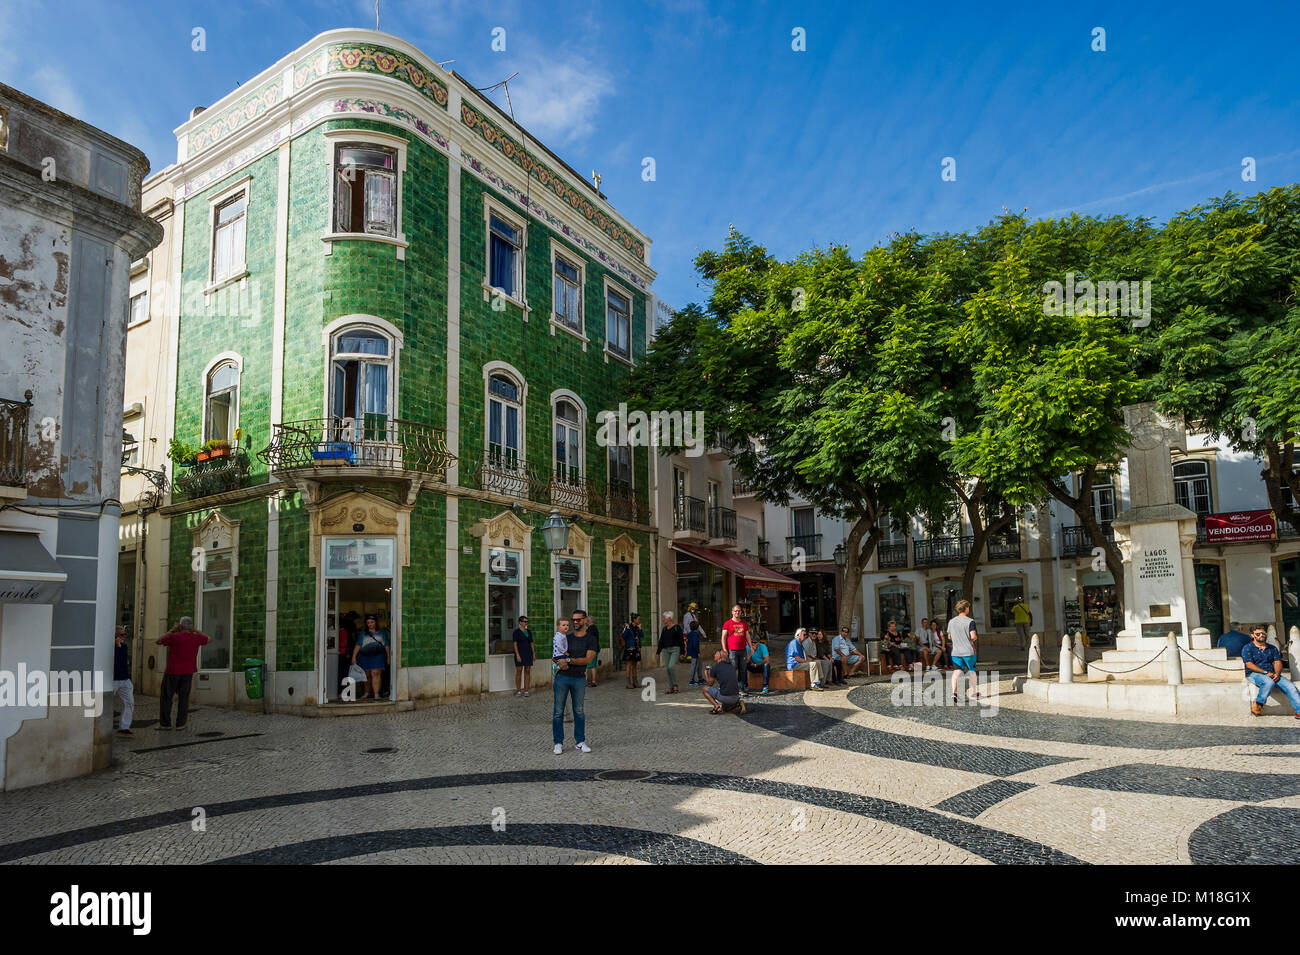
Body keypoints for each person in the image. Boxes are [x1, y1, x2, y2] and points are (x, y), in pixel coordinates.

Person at [553, 613, 598, 753]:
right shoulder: (566, 637)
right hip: (562, 678)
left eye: (578, 619)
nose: (575, 622)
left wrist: (568, 661)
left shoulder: (591, 639)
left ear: (585, 620)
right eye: (573, 620)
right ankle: (558, 743)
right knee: (558, 712)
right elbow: (556, 655)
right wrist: (559, 662)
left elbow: (588, 660)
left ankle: (580, 742)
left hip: (579, 678)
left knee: (579, 711)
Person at [158, 616, 210, 730]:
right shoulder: (196, 638)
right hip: (188, 672)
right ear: (190, 627)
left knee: (167, 697)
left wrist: (172, 629)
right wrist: (195, 630)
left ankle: (165, 724)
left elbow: (159, 641)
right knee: (184, 698)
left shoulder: (174, 637)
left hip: (172, 671)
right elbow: (209, 638)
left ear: (180, 626)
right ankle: (181, 724)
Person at [1242, 625, 1300, 718]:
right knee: (1268, 682)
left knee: (1290, 687)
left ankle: (1299, 711)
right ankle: (1258, 705)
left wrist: (1277, 674)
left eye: (1263, 633)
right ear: (1252, 636)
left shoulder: (1272, 648)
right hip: (1254, 674)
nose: (1261, 635)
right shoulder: (1247, 648)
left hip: (1272, 673)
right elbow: (1249, 665)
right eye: (1258, 634)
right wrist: (1265, 673)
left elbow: (1277, 662)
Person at [352, 614, 391, 701]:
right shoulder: (363, 633)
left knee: (375, 673)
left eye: (372, 622)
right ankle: (367, 692)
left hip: (378, 656)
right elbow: (358, 645)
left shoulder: (382, 633)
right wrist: (354, 657)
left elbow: (386, 646)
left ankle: (376, 694)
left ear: (376, 623)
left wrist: (388, 657)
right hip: (364, 657)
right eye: (368, 623)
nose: (370, 624)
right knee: (367, 675)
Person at [947, 600, 979, 702]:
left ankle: (954, 693)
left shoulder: (951, 622)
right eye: (968, 607)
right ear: (966, 608)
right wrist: (974, 638)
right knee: (972, 671)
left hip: (956, 652)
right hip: (968, 651)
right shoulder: (970, 621)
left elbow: (949, 636)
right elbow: (973, 636)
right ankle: (974, 693)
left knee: (956, 672)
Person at [721, 604, 751, 697]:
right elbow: (723, 637)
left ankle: (740, 689)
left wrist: (751, 647)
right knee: (732, 670)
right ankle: (731, 689)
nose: (737, 612)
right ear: (732, 612)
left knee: (743, 670)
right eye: (735, 611)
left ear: (741, 612)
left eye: (739, 611)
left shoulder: (744, 624)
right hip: (732, 651)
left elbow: (747, 636)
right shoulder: (727, 623)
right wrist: (724, 649)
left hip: (743, 650)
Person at [702, 649, 744, 714]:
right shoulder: (731, 666)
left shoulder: (715, 667)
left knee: (704, 689)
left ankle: (716, 706)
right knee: (725, 709)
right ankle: (737, 704)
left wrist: (707, 674)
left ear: (720, 656)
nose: (714, 655)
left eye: (716, 654)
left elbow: (709, 684)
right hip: (736, 696)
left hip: (725, 697)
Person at [113, 626, 134, 735]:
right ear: (115, 636)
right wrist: (117, 646)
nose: (124, 636)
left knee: (129, 702)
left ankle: (124, 727)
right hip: (112, 680)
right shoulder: (111, 647)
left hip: (125, 679)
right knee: (104, 703)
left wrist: (119, 646)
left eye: (125, 634)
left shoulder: (124, 646)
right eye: (122, 635)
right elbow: (116, 661)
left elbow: (122, 661)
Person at [657, 611, 684, 693]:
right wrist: (658, 652)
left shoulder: (677, 627)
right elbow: (661, 641)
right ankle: (671, 687)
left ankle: (675, 685)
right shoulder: (664, 629)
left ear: (669, 618)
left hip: (675, 649)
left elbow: (681, 640)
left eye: (664, 618)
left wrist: (682, 652)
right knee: (668, 669)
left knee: (671, 667)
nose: (663, 619)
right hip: (666, 650)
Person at [575, 610, 601, 688]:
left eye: (586, 620)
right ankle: (592, 681)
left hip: (591, 650)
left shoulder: (590, 629)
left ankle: (589, 681)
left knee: (588, 666)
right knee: (593, 666)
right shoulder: (594, 628)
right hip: (595, 649)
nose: (585, 621)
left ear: (589, 621)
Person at [513, 615, 534, 697]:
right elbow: (515, 644)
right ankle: (518, 690)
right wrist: (517, 655)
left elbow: (531, 643)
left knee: (528, 671)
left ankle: (526, 690)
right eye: (525, 621)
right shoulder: (516, 632)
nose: (526, 623)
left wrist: (533, 653)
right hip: (520, 654)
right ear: (520, 622)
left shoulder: (529, 632)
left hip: (528, 653)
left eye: (527, 621)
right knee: (519, 671)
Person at [621, 613, 643, 689]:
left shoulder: (637, 627)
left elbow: (642, 635)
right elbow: (623, 635)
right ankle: (628, 682)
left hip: (636, 648)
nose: (640, 620)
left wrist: (640, 628)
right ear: (634, 620)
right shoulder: (628, 627)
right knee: (629, 665)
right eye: (638, 619)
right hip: (630, 648)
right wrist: (626, 629)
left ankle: (635, 682)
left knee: (635, 665)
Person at [686, 620, 705, 685]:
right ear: (697, 628)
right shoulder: (695, 635)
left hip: (691, 652)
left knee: (699, 665)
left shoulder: (689, 634)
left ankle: (700, 679)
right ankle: (692, 680)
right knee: (694, 666)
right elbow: (695, 644)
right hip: (695, 653)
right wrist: (698, 652)